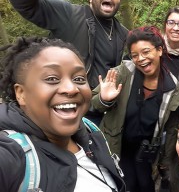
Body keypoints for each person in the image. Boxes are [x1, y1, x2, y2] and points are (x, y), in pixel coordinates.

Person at [0, 37, 125, 192]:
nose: (71, 88)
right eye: (52, 79)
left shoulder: (90, 132)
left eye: (79, 78)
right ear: (21, 93)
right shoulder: (11, 155)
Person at [91, 26, 179, 192]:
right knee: (124, 185)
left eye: (146, 52)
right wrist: (104, 99)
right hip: (117, 145)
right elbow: (92, 105)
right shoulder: (122, 74)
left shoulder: (173, 89)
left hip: (146, 152)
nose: (141, 59)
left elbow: (171, 130)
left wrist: (165, 161)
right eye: (135, 55)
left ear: (159, 51)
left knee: (146, 186)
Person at [10, 0, 128, 89]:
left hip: (101, 102)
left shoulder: (123, 34)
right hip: (64, 95)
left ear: (119, 0)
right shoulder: (68, 13)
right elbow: (23, 2)